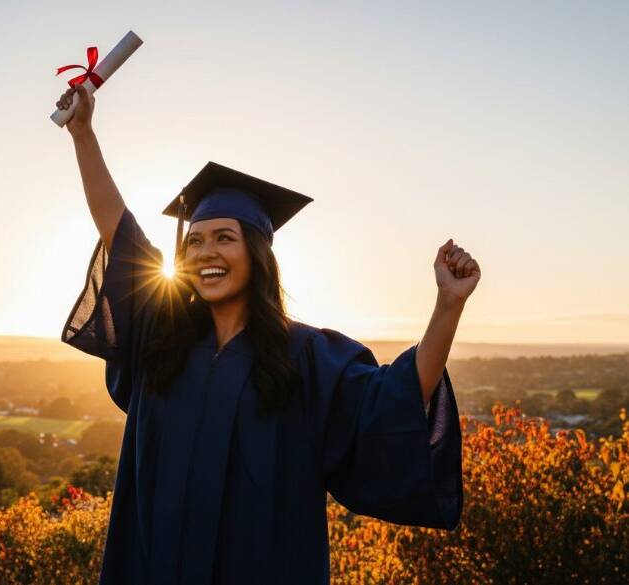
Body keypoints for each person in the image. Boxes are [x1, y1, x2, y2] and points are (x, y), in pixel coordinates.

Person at [55, 84, 478, 584]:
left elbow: (396, 398)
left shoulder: (307, 355)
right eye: (194, 242)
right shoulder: (161, 340)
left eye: (224, 238)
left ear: (256, 254)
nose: (206, 253)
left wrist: (448, 305)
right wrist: (83, 134)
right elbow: (121, 234)